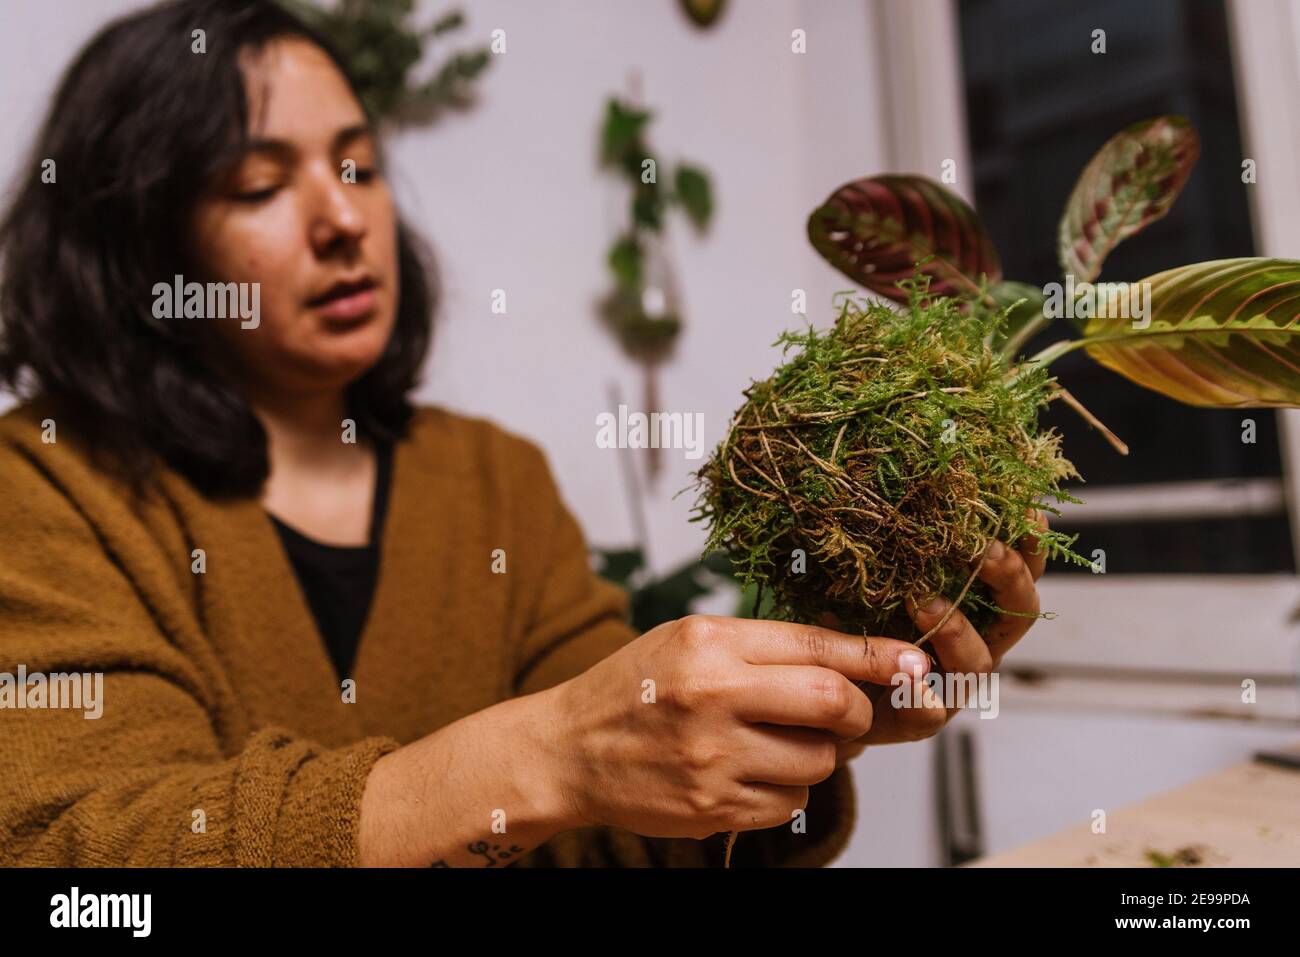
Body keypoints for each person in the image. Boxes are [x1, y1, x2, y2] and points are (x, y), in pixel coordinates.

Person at [0, 0, 1047, 868]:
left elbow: (626, 818)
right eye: (261, 185)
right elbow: (77, 852)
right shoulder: (45, 488)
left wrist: (809, 720)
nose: (342, 219)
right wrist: (542, 755)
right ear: (138, 243)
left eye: (358, 167)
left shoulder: (489, 479)